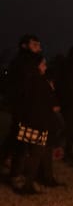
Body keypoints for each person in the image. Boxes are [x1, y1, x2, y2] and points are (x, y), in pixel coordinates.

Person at [10, 54, 61, 194]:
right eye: (43, 63)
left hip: (29, 121)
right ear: (37, 65)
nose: (45, 66)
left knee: (33, 152)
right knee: (36, 154)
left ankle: (28, 181)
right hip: (40, 122)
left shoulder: (28, 81)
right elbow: (50, 104)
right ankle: (27, 185)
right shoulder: (41, 82)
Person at [1, 34, 43, 174]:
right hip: (23, 106)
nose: (38, 48)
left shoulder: (31, 62)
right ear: (24, 46)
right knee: (20, 139)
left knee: (15, 136)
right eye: (34, 45)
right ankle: (15, 173)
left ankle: (8, 163)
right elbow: (22, 86)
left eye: (39, 45)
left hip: (27, 105)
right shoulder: (22, 63)